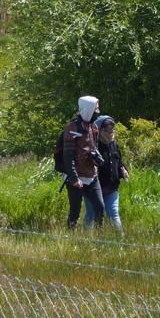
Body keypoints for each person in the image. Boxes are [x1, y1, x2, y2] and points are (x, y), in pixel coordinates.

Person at [62, 96, 105, 230]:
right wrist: (74, 178)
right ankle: (70, 236)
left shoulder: (94, 127)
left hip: (92, 175)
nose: (98, 112)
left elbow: (94, 148)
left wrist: (96, 161)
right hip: (76, 177)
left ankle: (99, 237)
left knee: (100, 207)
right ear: (88, 109)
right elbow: (68, 155)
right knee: (75, 211)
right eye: (96, 109)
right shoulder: (72, 127)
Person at [83, 115, 128, 236]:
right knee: (91, 214)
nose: (111, 133)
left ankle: (121, 241)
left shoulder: (114, 145)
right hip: (93, 188)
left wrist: (123, 169)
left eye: (113, 130)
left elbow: (119, 161)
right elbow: (85, 166)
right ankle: (85, 241)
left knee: (114, 213)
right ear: (99, 131)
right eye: (107, 131)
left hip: (111, 187)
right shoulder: (92, 146)